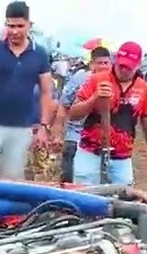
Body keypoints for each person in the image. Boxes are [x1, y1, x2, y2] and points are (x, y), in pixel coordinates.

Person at [0, 1, 54, 180]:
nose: (15, 31)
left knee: (11, 180)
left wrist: (43, 126)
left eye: (20, 26)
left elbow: (47, 92)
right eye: (10, 25)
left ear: (29, 25)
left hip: (22, 128)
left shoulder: (39, 54)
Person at [68, 41, 147, 186]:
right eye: (120, 65)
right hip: (90, 152)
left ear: (138, 65)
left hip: (122, 157)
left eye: (128, 67)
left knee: (122, 199)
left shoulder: (143, 88)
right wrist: (94, 98)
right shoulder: (97, 79)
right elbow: (73, 114)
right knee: (85, 196)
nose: (123, 70)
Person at [54, 47, 110, 184]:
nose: (103, 67)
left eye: (106, 63)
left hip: (97, 140)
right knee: (69, 180)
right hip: (75, 136)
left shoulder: (112, 82)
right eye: (99, 63)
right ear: (91, 64)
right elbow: (64, 104)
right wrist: (58, 134)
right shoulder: (81, 78)